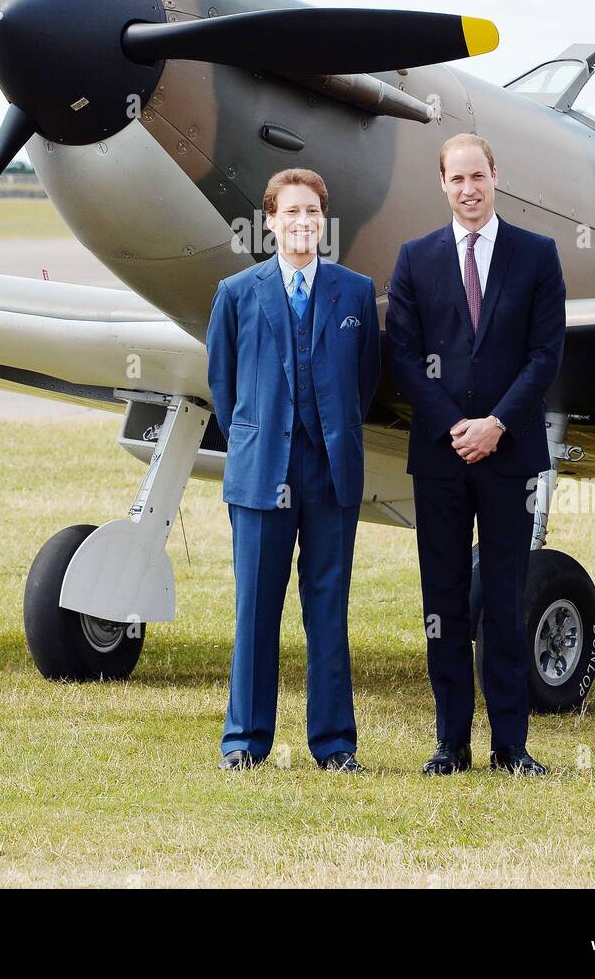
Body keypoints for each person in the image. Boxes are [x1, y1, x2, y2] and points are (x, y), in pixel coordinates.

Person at [386, 133, 566, 776]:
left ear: (496, 175)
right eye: (456, 179)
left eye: (478, 177)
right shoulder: (415, 259)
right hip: (440, 460)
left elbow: (546, 355)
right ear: (441, 184)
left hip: (509, 455)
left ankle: (511, 746)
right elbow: (403, 357)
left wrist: (495, 425)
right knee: (443, 602)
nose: (469, 189)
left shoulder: (537, 256)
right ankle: (450, 743)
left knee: (505, 598)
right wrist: (455, 426)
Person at [206, 168, 380, 772]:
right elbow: (223, 389)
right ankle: (244, 743)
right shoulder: (236, 293)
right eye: (291, 212)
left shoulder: (354, 293)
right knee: (256, 607)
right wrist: (259, 442)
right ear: (271, 220)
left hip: (331, 472)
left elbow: (366, 382)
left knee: (328, 608)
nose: (302, 223)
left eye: (313, 213)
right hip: (262, 474)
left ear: (322, 221)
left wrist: (329, 434)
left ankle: (334, 745)